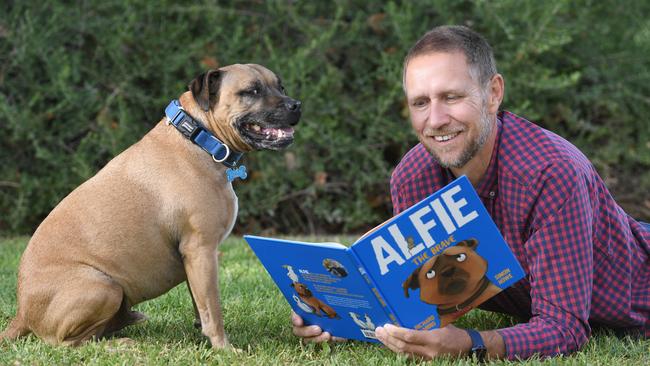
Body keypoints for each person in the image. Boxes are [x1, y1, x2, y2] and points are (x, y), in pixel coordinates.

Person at [291, 25, 650, 360]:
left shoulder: (551, 172)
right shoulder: (412, 178)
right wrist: (341, 318)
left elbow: (565, 327)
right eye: (420, 102)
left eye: (451, 97)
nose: (435, 120)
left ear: (493, 94)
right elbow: (416, 306)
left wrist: (471, 343)